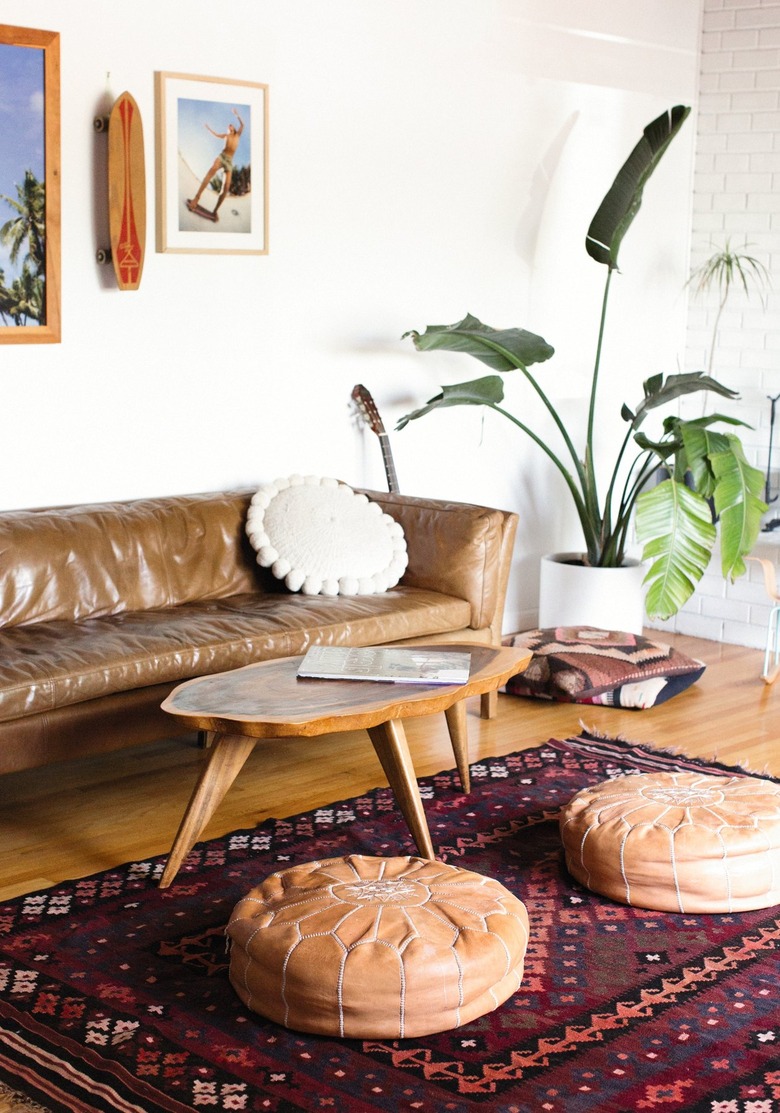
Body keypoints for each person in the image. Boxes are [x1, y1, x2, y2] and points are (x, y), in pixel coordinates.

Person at [187, 108, 244, 220]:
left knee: (226, 188)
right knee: (211, 172)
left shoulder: (237, 135)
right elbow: (216, 134)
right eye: (228, 126)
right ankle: (196, 198)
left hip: (229, 162)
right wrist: (208, 129)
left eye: (231, 125)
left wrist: (237, 115)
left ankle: (215, 211)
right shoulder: (226, 136)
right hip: (221, 157)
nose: (229, 126)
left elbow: (242, 125)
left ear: (234, 128)